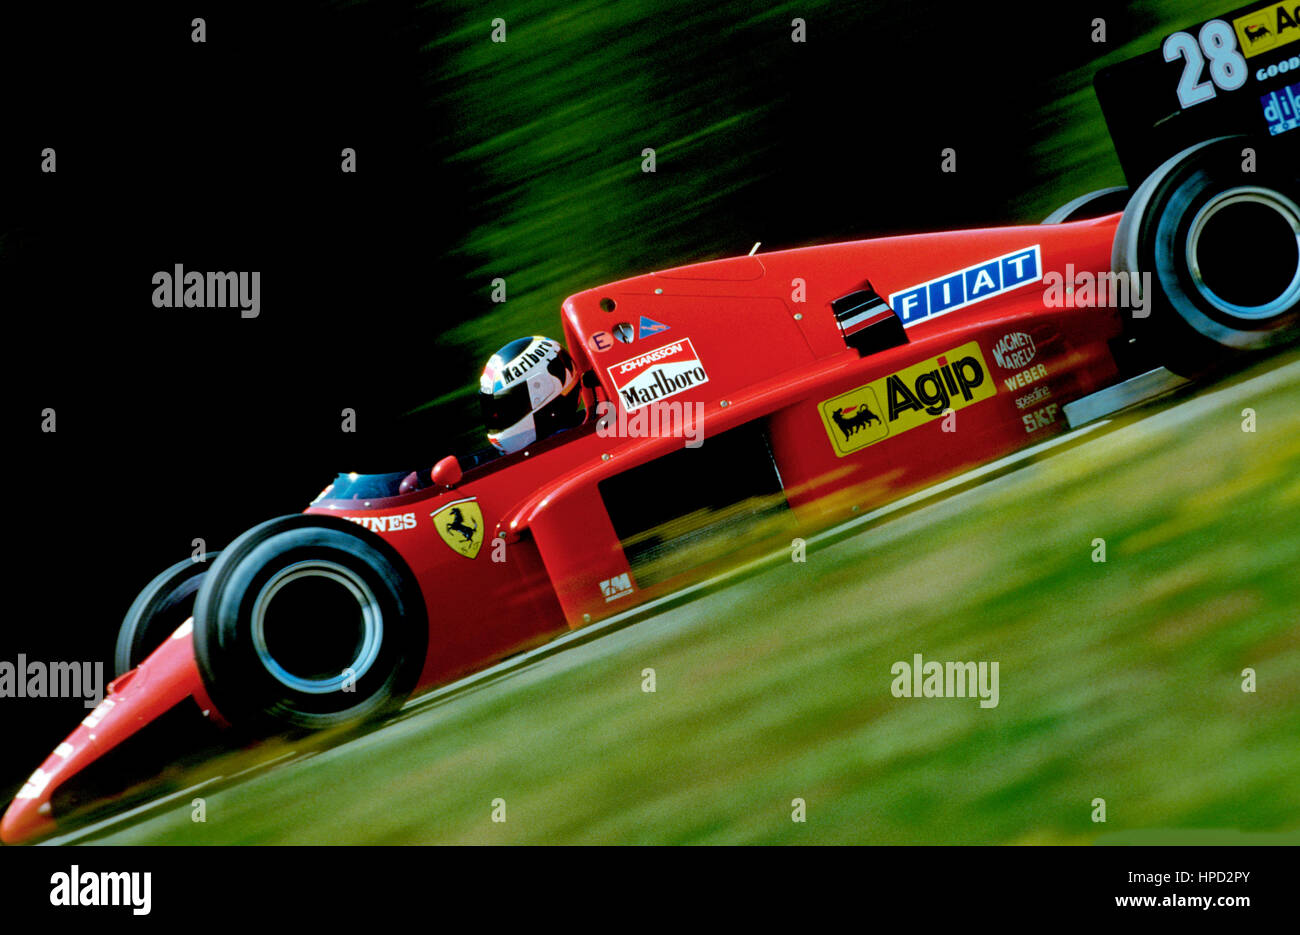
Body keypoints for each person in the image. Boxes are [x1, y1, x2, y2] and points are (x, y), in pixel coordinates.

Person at [478, 335, 583, 454]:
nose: (496, 416)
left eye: (510, 407)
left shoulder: (569, 452)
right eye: (493, 410)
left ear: (542, 391)